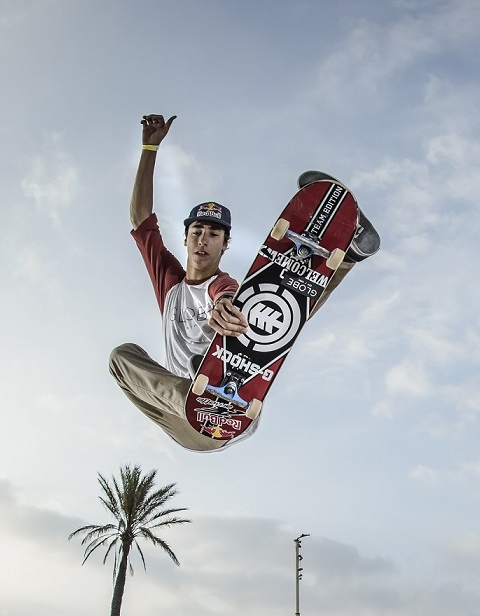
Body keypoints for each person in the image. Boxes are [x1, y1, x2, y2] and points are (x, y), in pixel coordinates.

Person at [109, 115, 357, 451]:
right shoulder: (169, 281)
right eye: (197, 232)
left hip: (236, 411)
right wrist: (149, 148)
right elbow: (141, 220)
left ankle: (347, 255)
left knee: (272, 312)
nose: (203, 240)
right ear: (185, 238)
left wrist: (227, 306)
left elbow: (223, 293)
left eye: (213, 235)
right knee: (122, 357)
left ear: (225, 245)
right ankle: (194, 397)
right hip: (188, 422)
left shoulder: (224, 284)